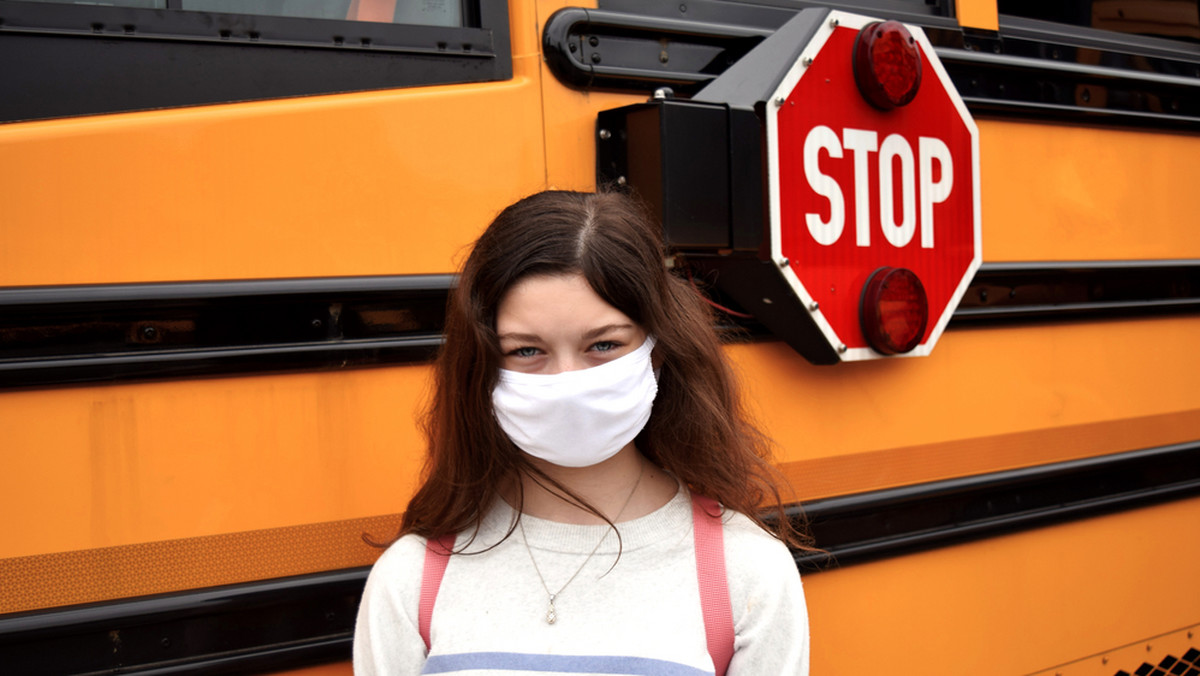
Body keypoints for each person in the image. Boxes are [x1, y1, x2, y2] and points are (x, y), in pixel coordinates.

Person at [354, 190, 812, 675]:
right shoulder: (411, 578)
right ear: (483, 367)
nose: (567, 382)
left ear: (657, 350)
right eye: (526, 351)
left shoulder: (748, 573)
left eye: (603, 344)